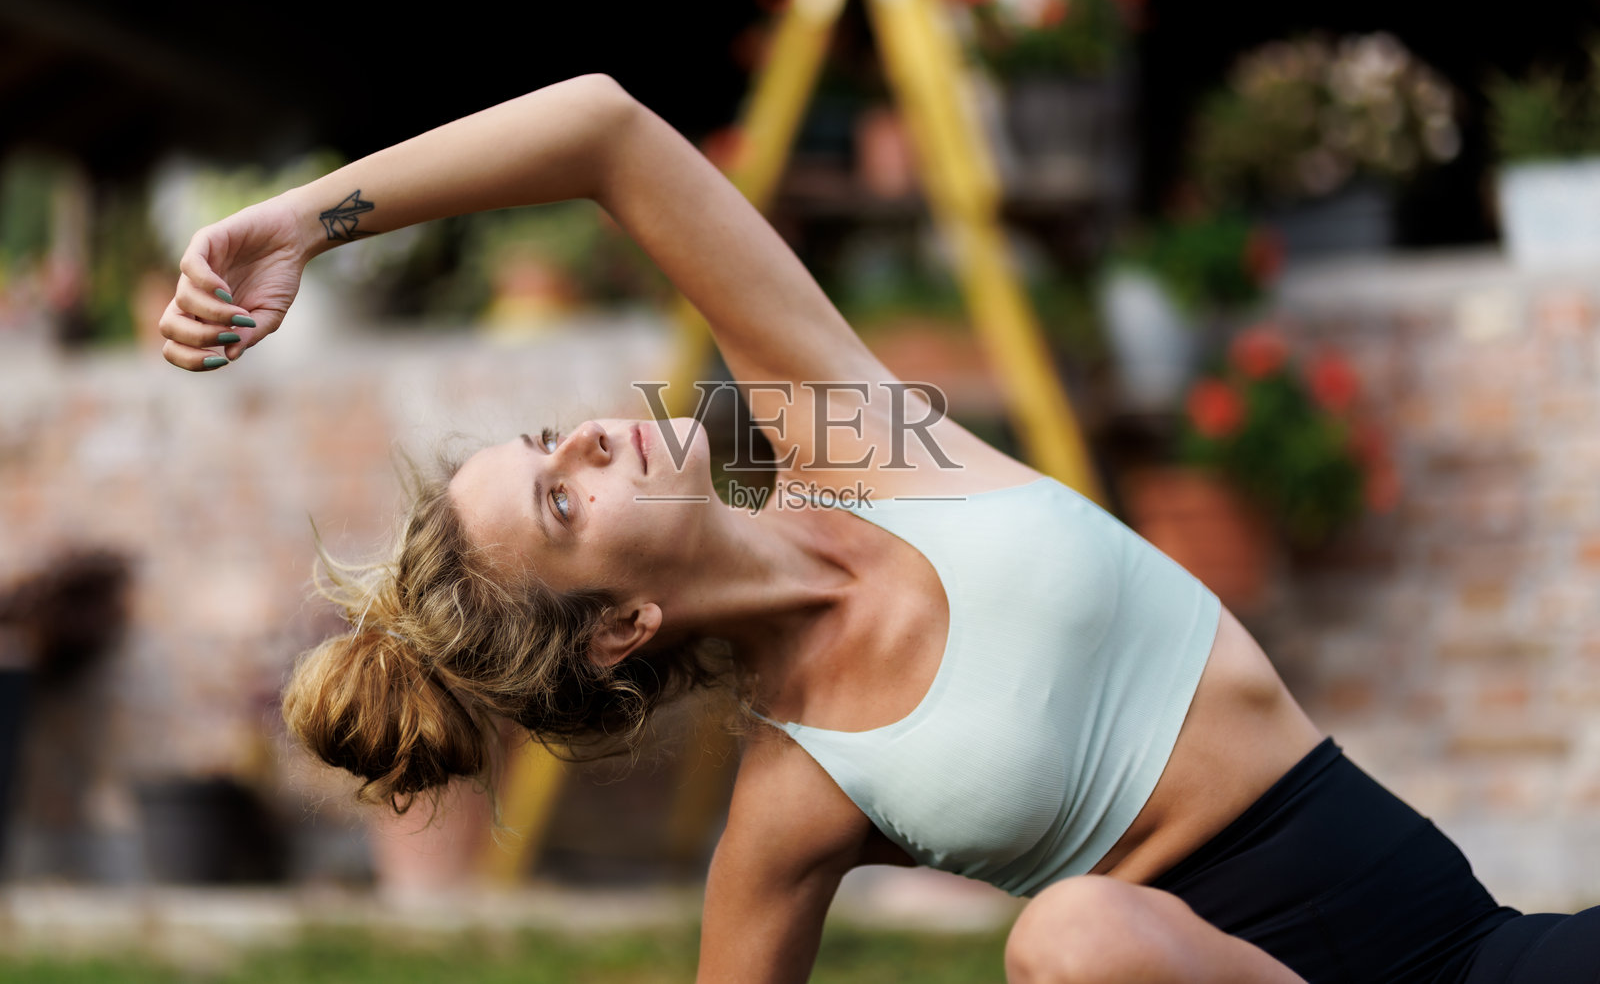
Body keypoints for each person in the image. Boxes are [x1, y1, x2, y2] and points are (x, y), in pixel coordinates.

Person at [159, 75, 1599, 983]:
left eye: (548, 442)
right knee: (1073, 941)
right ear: (618, 626)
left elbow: (603, 129)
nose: (587, 436)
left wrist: (299, 221)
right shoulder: (802, 790)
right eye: (562, 498)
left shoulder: (857, 443)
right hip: (1164, 964)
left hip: (1467, 942)